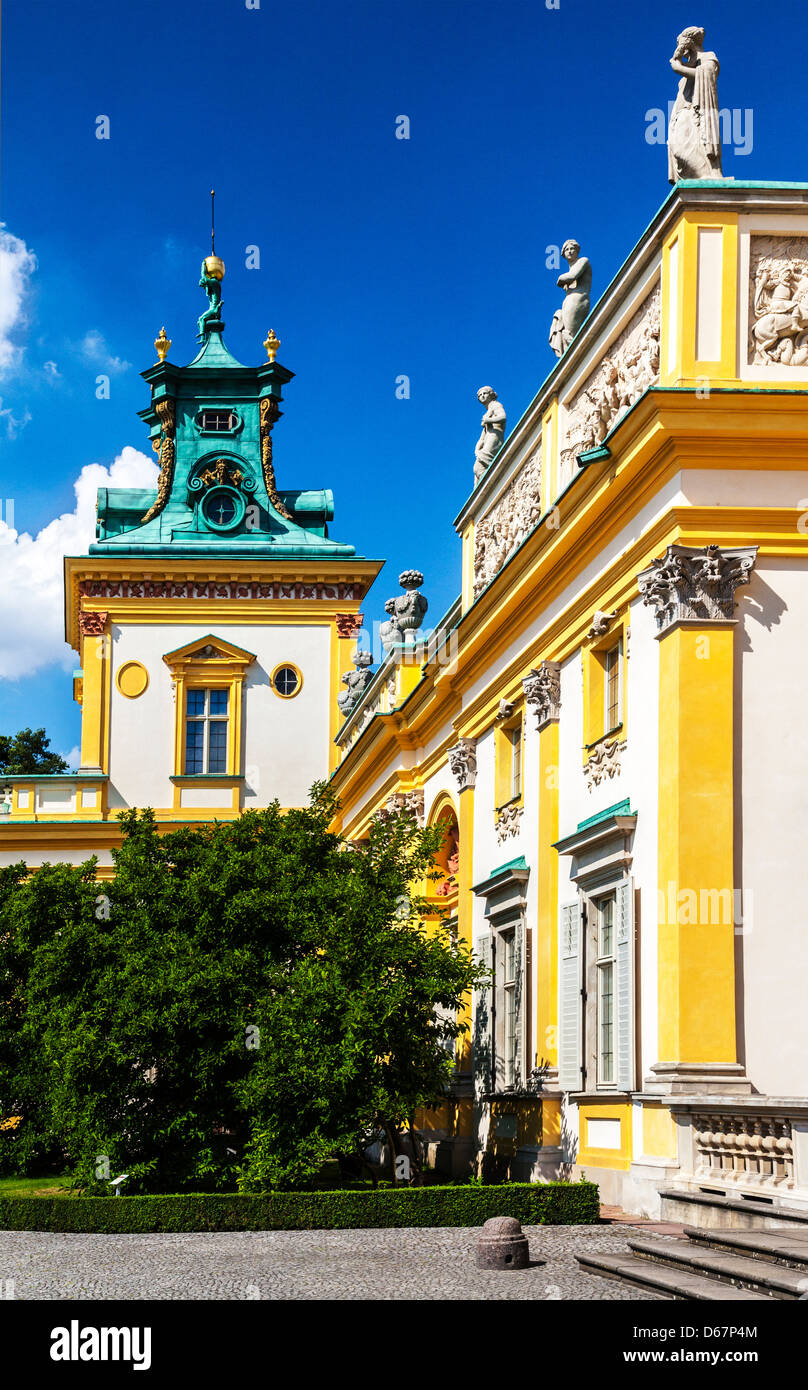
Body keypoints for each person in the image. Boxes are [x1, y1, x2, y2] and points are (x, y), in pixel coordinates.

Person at [668, 27, 722, 183]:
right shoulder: (688, 67)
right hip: (680, 114)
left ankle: (707, 176)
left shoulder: (708, 57)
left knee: (681, 149)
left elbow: (708, 74)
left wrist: (679, 68)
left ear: (689, 44)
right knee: (675, 147)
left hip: (694, 113)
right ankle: (698, 179)